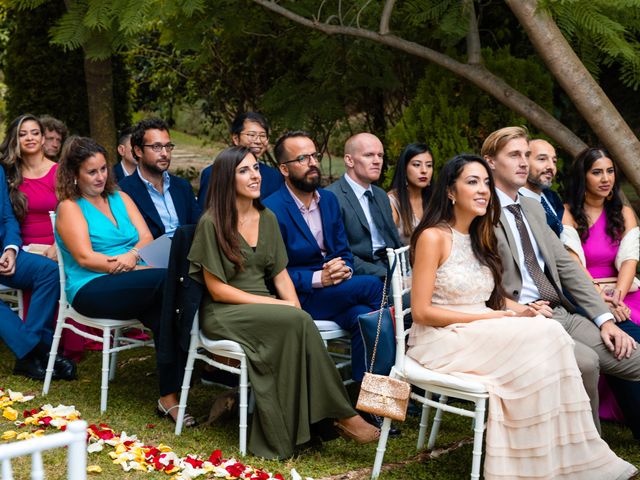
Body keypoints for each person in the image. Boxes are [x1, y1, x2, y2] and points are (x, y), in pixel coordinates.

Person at [408, 153, 637, 479]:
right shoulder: (433, 236)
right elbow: (421, 311)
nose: (483, 190)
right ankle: (526, 461)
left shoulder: (479, 235)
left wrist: (521, 311)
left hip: (481, 326)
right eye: (472, 182)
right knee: (543, 342)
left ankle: (563, 452)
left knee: (548, 331)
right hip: (441, 337)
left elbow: (488, 296)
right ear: (449, 191)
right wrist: (495, 319)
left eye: (486, 182)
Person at [188, 145, 379, 459]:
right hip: (225, 311)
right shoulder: (212, 222)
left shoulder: (267, 217)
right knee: (297, 319)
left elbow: (280, 277)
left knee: (299, 320)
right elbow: (218, 290)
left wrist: (293, 306)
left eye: (256, 168)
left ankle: (332, 416)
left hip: (264, 307)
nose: (255, 176)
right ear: (226, 178)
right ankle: (342, 414)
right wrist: (281, 307)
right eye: (244, 170)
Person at [483, 126, 640, 436]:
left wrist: (606, 320)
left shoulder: (531, 206)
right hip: (522, 318)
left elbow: (566, 266)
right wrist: (518, 309)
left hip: (561, 312)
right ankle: (588, 450)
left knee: (633, 355)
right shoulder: (481, 210)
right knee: (586, 363)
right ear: (490, 162)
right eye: (515, 155)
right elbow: (479, 281)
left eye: (525, 155)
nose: (524, 162)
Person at [55, 136, 191, 426]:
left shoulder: (121, 197)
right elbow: (85, 258)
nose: (101, 176)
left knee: (164, 313)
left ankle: (169, 396)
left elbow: (145, 238)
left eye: (104, 169)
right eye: (92, 172)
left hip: (136, 279)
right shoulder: (70, 207)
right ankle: (195, 365)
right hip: (91, 287)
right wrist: (131, 264)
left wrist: (133, 257)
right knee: (172, 284)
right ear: (74, 174)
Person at [263, 131, 384, 385]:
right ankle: (391, 389)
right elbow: (270, 273)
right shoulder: (271, 210)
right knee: (375, 288)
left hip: (337, 290)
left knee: (363, 317)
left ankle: (369, 406)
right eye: (303, 159)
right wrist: (320, 278)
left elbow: (344, 252)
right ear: (284, 169)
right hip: (300, 298)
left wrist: (345, 270)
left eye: (315, 156)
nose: (313, 163)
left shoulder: (328, 200)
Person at [562, 147, 640, 434]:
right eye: (597, 172)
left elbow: (630, 259)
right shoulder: (568, 213)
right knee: (623, 332)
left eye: (609, 171)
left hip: (624, 290)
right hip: (588, 293)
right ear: (583, 177)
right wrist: (602, 299)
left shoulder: (624, 212)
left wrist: (618, 295)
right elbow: (573, 264)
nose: (605, 178)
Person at [0, 120, 74, 381]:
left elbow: (8, 217)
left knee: (49, 272)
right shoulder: (12, 170)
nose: (29, 138)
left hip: (6, 253)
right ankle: (38, 350)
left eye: (34, 133)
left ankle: (28, 354)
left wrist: (10, 249)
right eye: (23, 134)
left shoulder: (1, 170)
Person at [326, 133, 402, 279]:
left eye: (380, 155)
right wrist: (390, 275)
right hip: (361, 274)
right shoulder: (331, 197)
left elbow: (393, 241)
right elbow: (340, 254)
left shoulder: (380, 195)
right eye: (369, 155)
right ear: (349, 160)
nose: (377, 161)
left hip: (393, 266)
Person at [119, 118, 201, 239]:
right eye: (156, 147)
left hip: (187, 253)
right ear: (138, 151)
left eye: (167, 146)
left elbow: (198, 226)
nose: (164, 153)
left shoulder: (182, 186)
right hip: (149, 255)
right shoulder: (124, 191)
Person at [198, 111, 283, 208]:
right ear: (236, 139)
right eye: (251, 135)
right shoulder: (213, 173)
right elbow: (204, 214)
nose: (258, 141)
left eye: (263, 136)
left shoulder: (275, 176)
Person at [387, 142, 433, 245]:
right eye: (416, 165)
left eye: (429, 165)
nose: (424, 170)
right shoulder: (392, 201)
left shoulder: (435, 198)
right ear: (404, 168)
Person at [519, 138, 564, 235]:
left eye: (554, 161)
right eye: (542, 159)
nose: (551, 167)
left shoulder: (553, 197)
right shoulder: (515, 202)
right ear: (524, 162)